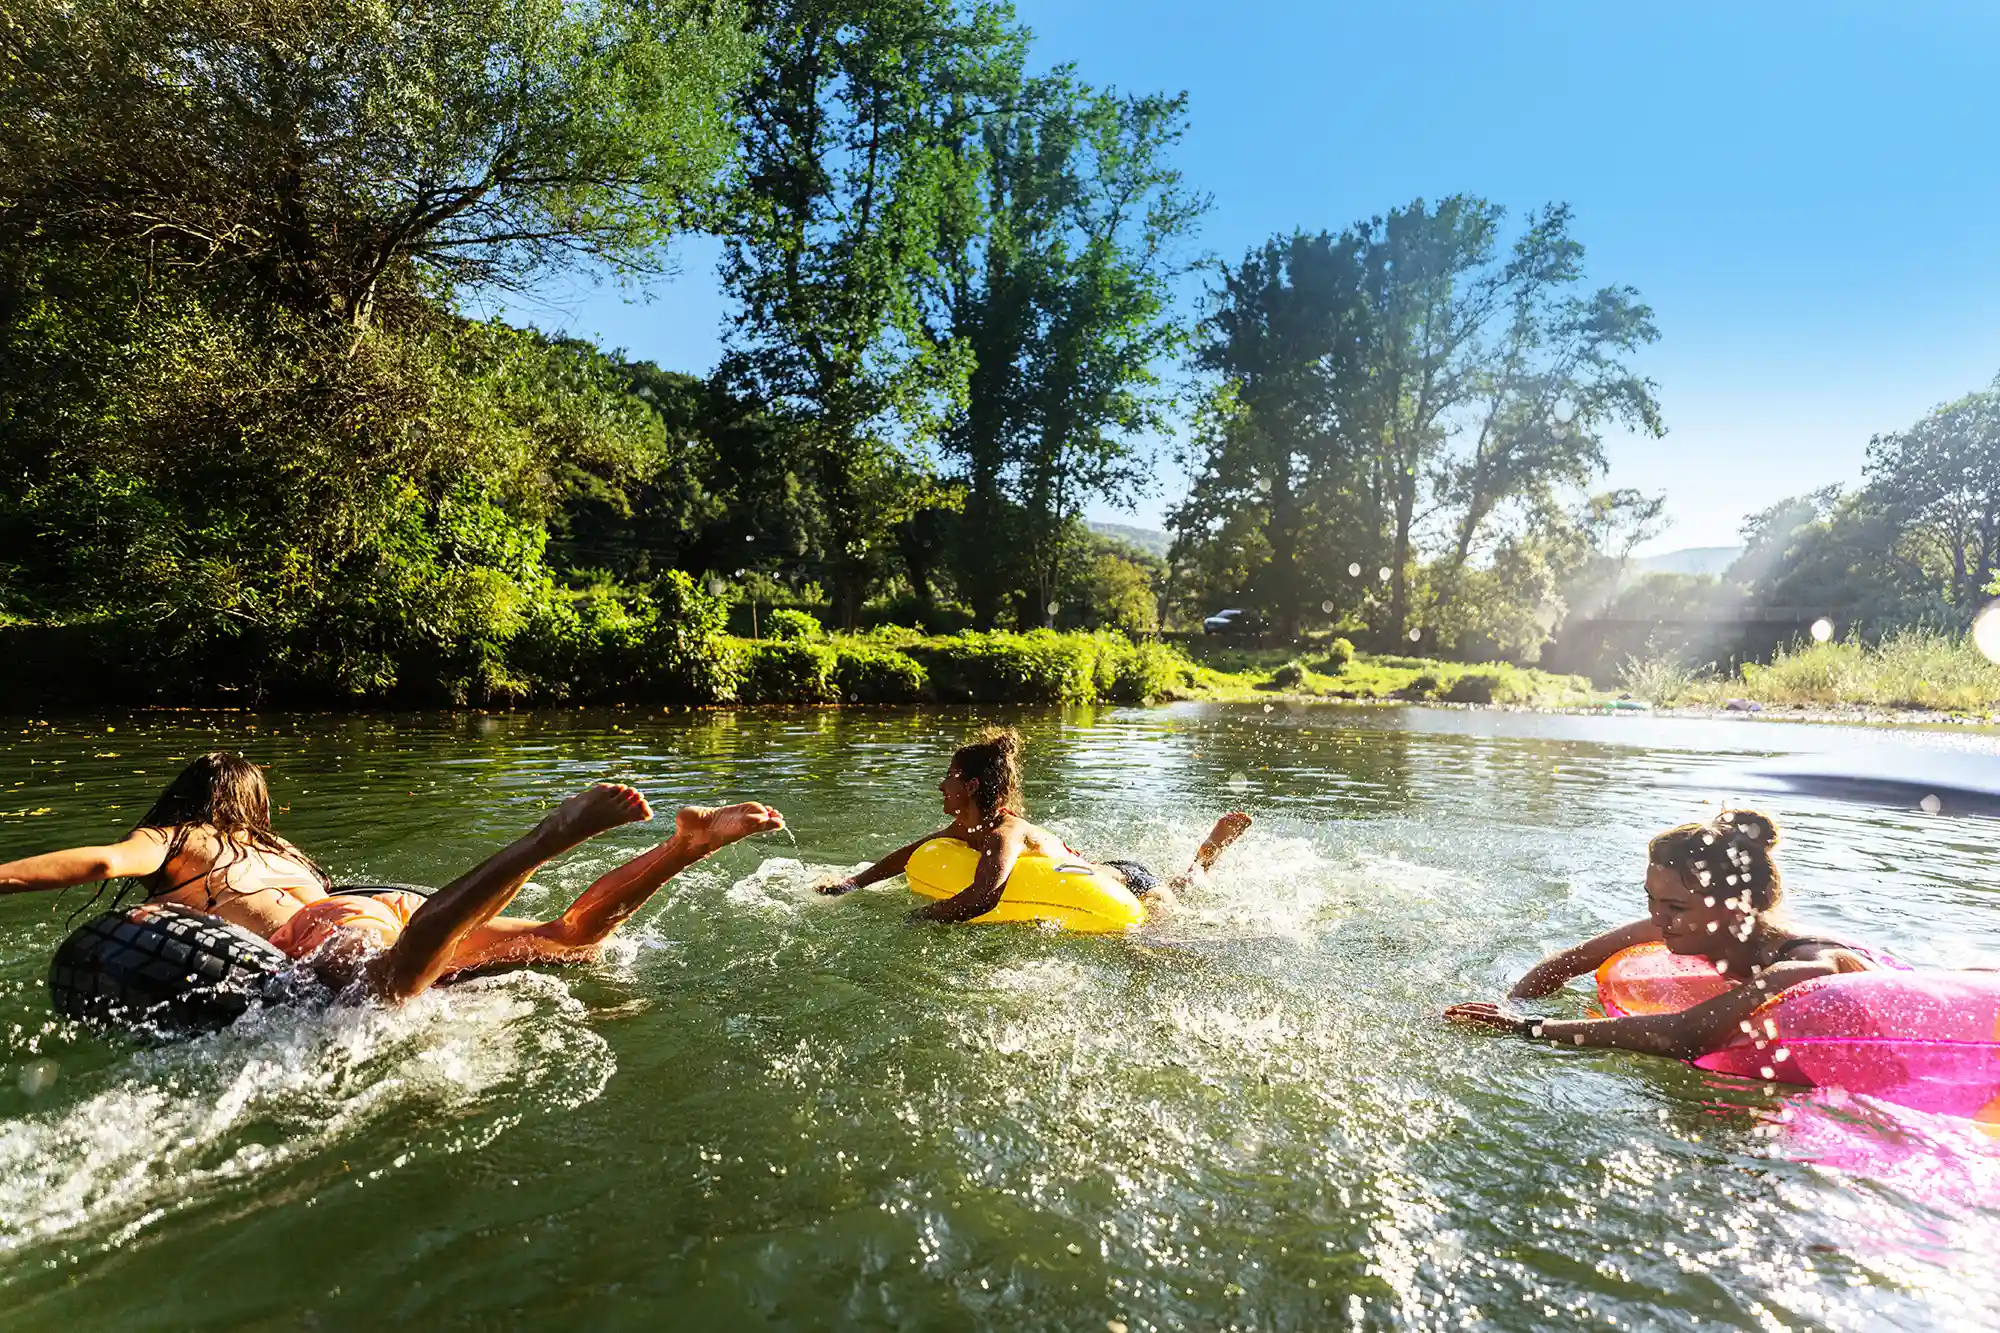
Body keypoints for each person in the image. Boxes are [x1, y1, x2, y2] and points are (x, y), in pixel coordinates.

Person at [0, 751, 785, 1001]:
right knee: (568, 937)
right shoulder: (285, 854)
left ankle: (551, 833)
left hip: (325, 929)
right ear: (256, 805)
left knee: (387, 989)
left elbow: (104, 863)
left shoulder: (184, 836)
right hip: (376, 902)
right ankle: (682, 848)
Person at [1445, 807, 1888, 1059]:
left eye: (1675, 907)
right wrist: (1510, 1003)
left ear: (1740, 906)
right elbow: (1568, 962)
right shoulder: (1679, 927)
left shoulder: (1803, 967)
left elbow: (1684, 1034)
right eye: (1651, 900)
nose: (1657, 919)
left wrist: (1530, 1028)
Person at [815, 726, 1251, 922]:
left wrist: (916, 919)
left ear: (967, 786)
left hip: (1124, 880)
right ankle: (1201, 860)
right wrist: (854, 883)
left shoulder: (1006, 832)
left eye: (948, 776)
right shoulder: (965, 828)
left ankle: (1207, 853)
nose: (940, 784)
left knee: (1172, 908)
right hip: (1096, 869)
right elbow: (910, 853)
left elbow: (985, 896)